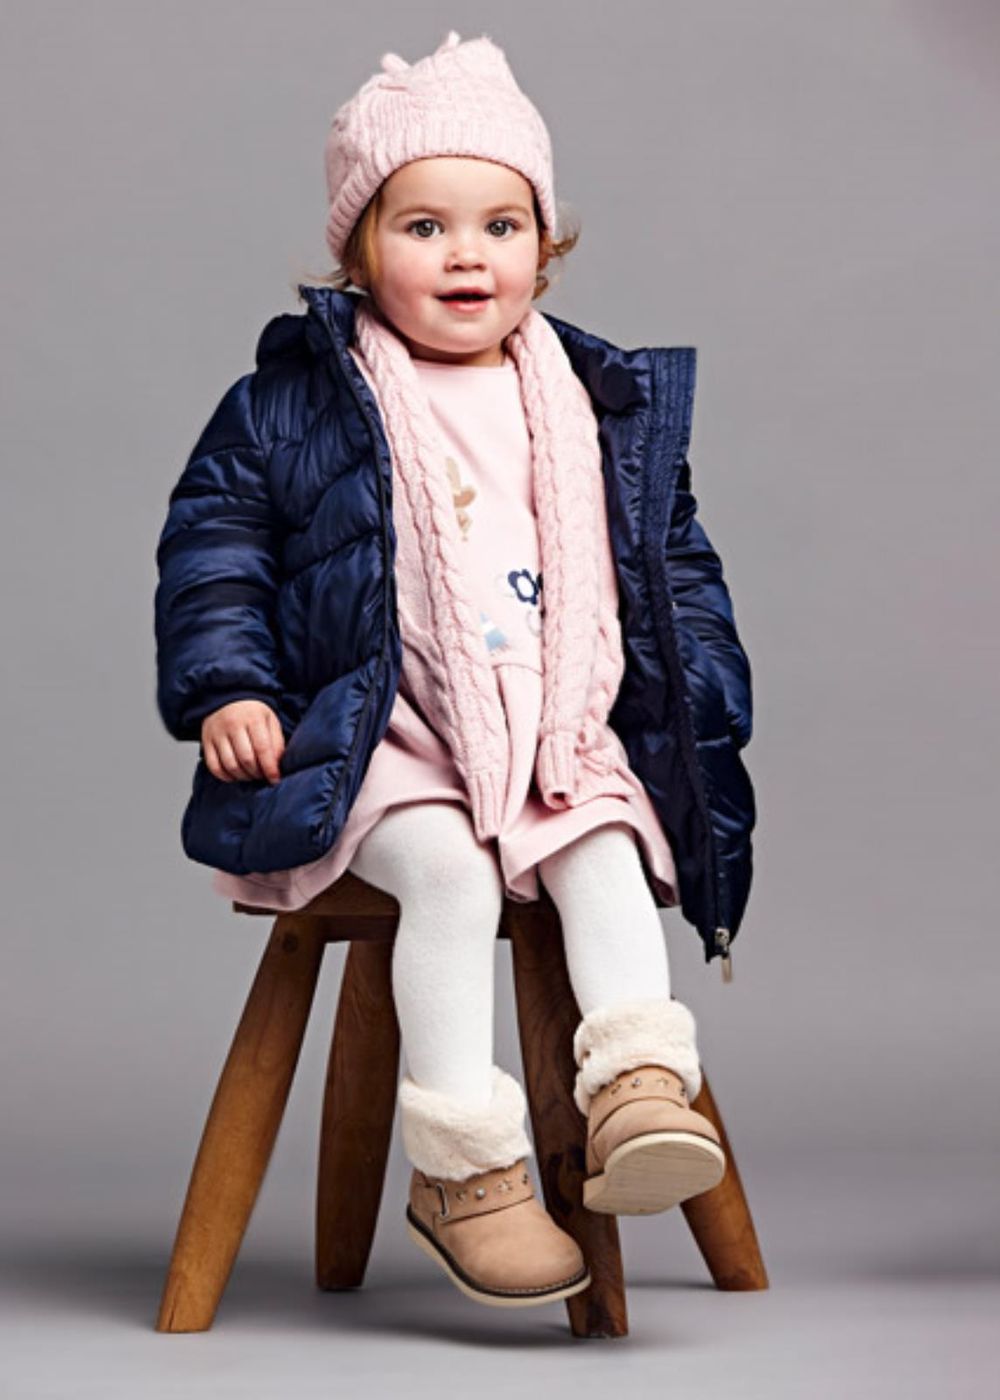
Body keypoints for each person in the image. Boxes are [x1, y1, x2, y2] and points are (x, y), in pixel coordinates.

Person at [154, 30, 756, 1311]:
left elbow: (674, 568)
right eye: (423, 227)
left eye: (501, 224)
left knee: (605, 848)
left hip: (553, 730)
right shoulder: (299, 401)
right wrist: (229, 688)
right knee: (446, 875)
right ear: (359, 252)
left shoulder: (592, 403)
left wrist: (704, 692)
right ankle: (465, 1170)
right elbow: (215, 546)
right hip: (382, 739)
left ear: (546, 243)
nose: (466, 255)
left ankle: (636, 1090)